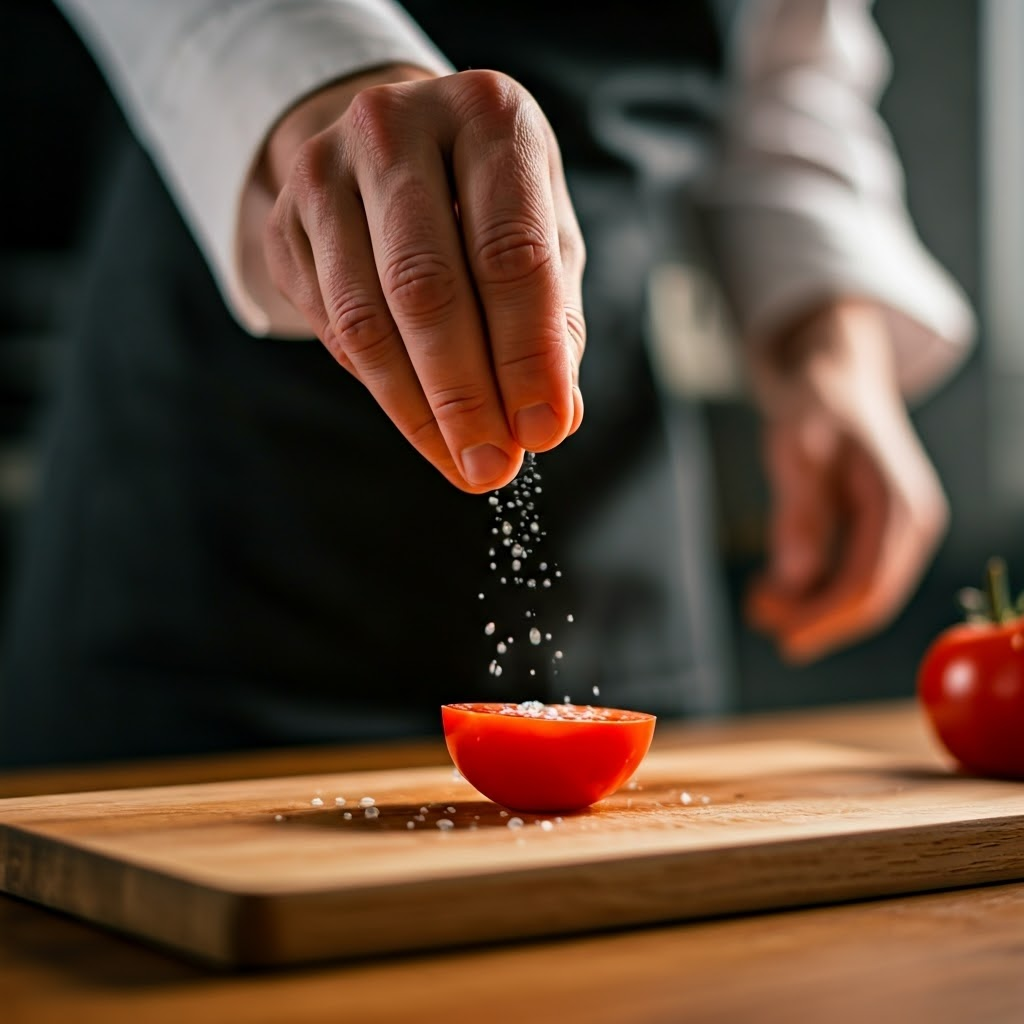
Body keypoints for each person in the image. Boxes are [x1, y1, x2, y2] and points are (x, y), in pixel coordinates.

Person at [0, 0, 974, 766]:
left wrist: (829, 349)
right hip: (217, 535)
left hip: (613, 520)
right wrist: (321, 76)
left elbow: (786, 68)